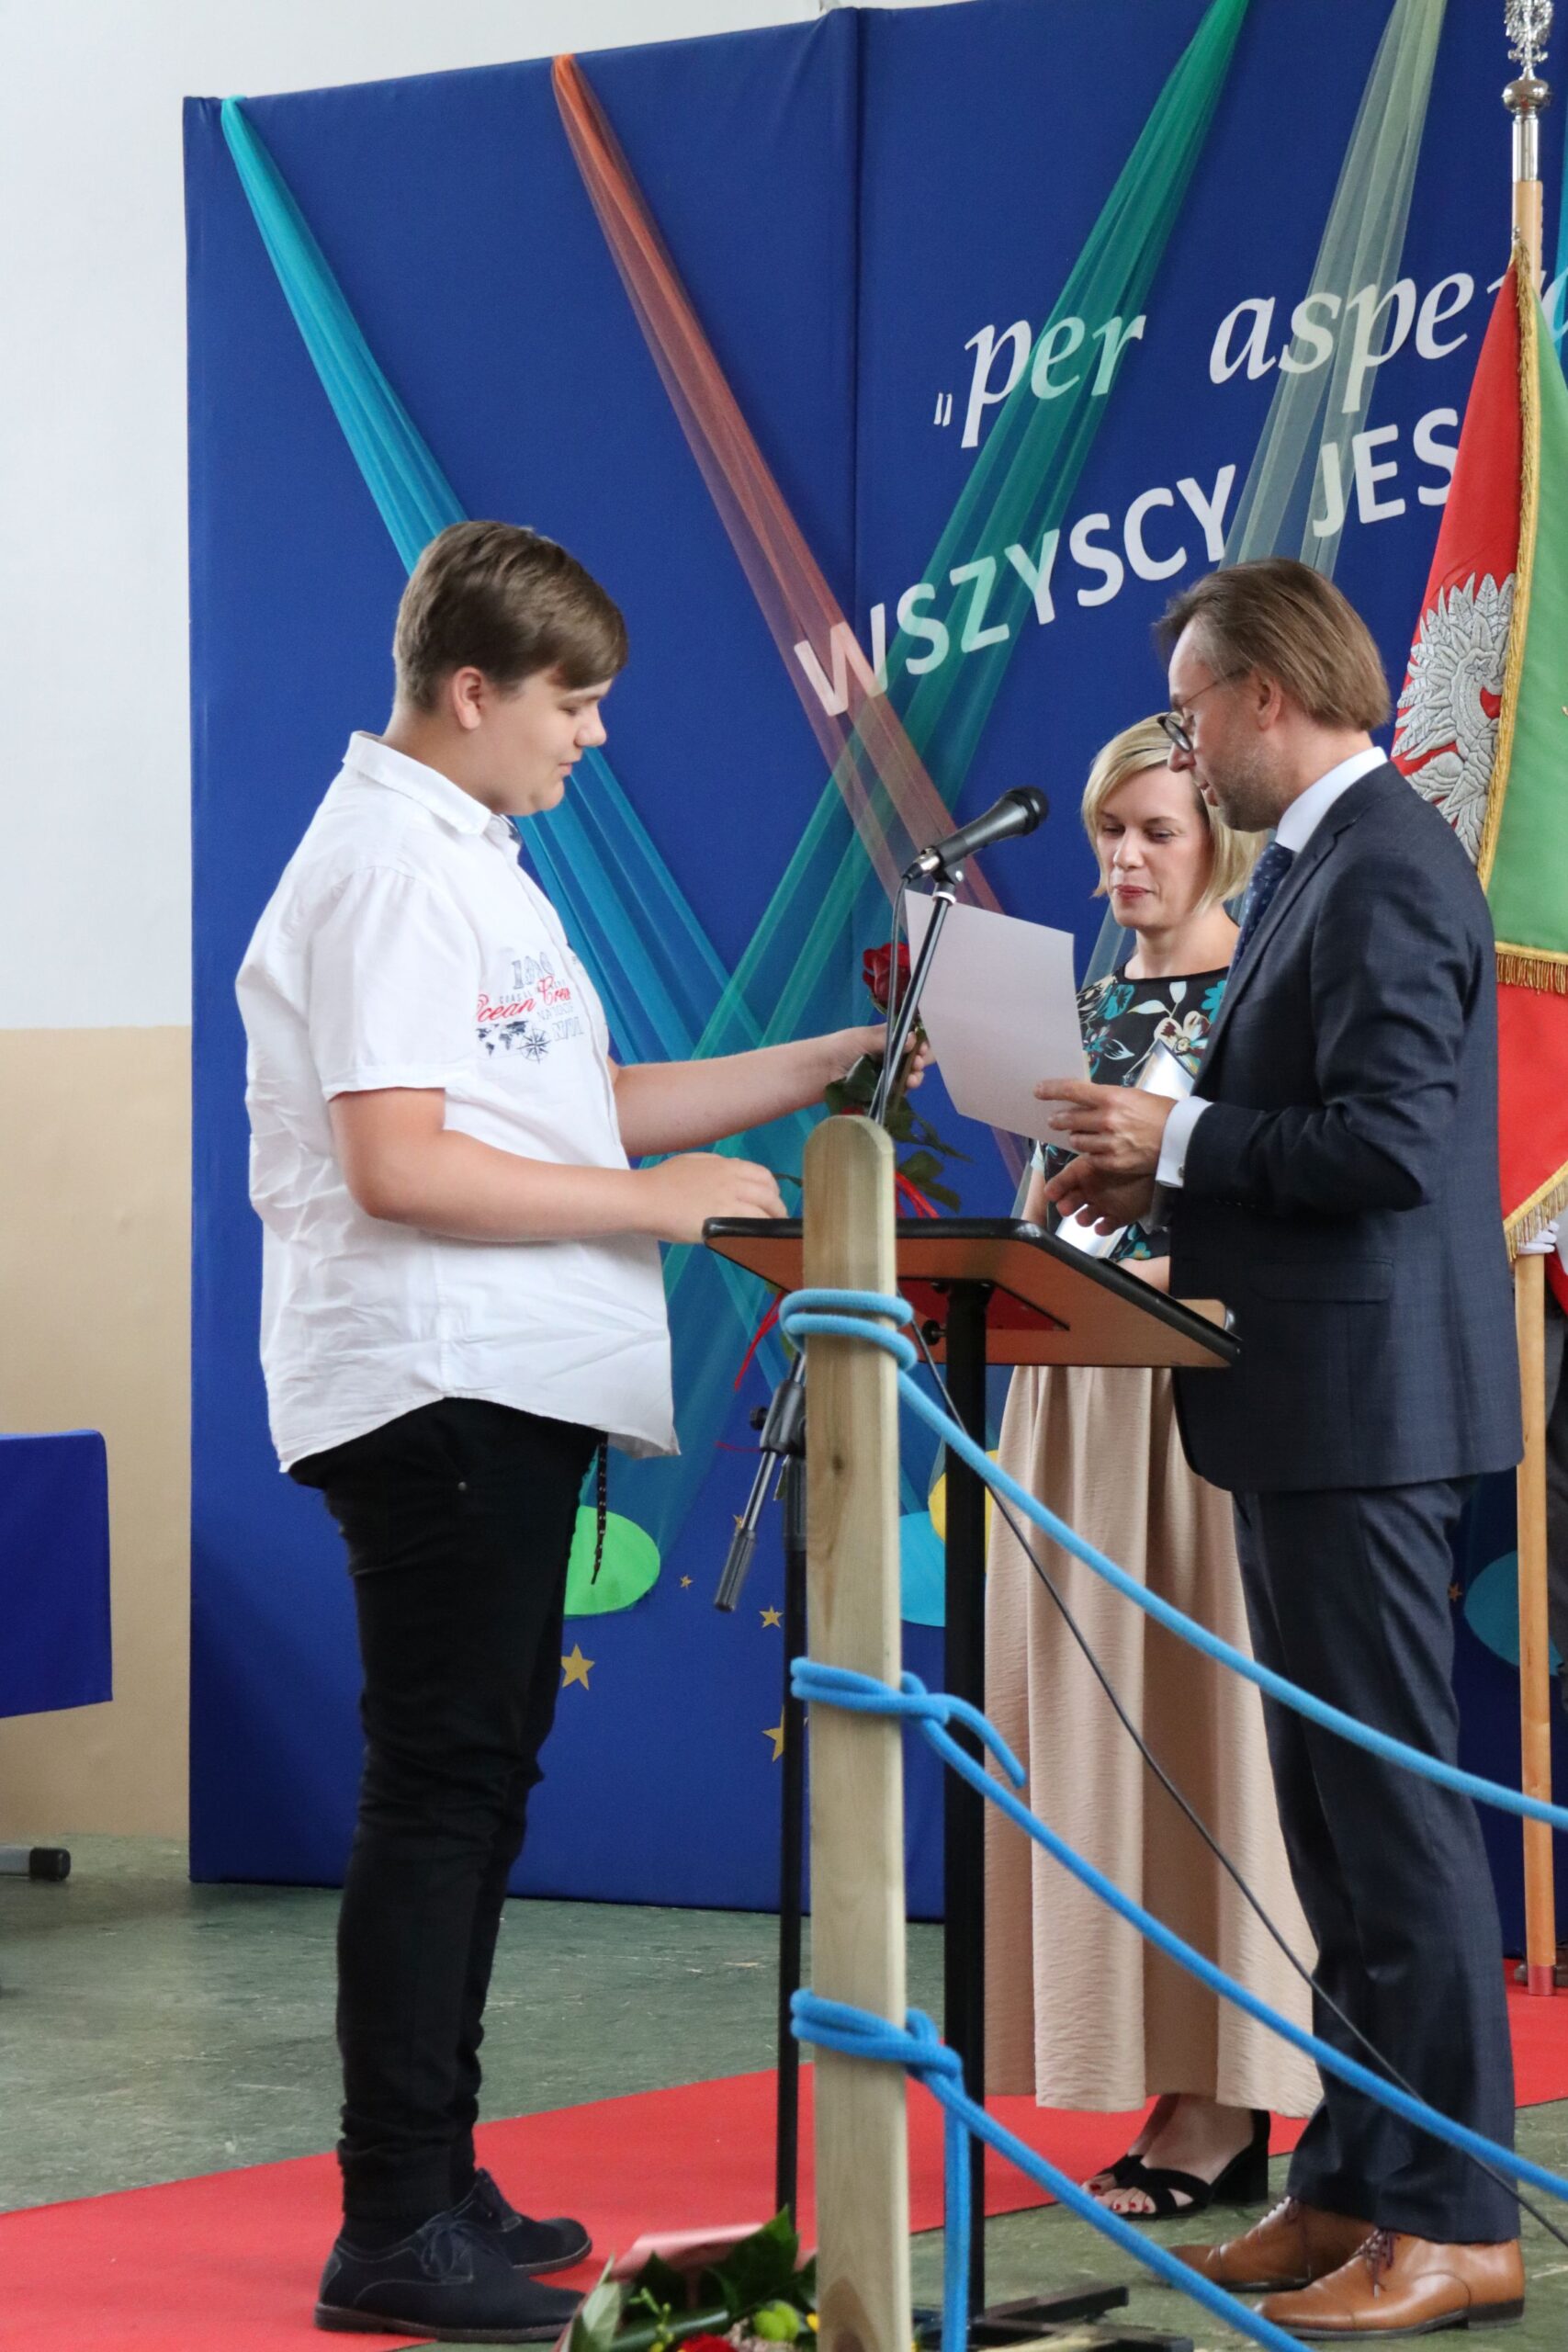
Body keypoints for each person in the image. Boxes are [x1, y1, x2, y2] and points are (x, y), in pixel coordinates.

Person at [237, 520, 922, 2344]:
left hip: (497, 1384)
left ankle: (432, 2172)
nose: (595, 735)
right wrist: (656, 1209)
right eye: (574, 701)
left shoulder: (470, 855)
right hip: (434, 1383)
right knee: (441, 1785)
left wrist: (820, 1065)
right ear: (472, 690)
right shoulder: (391, 869)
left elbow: (577, 1105)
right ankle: (392, 2214)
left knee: (475, 1780)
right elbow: (398, 1163)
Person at [1038, 557, 1525, 2338]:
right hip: (1311, 1399)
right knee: (1330, 1821)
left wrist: (1174, 1140)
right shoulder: (1326, 859)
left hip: (1366, 1408)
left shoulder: (1381, 864)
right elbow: (1305, 1125)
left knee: (1389, 1819)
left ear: (1262, 693)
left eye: (1188, 711)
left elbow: (1386, 1145)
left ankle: (1457, 2220)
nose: (1183, 746)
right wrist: (1159, 1172)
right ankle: (1354, 2184)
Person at [986, 718, 1318, 2221]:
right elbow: (1053, 1207)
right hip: (1065, 1395)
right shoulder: (1086, 999)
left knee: (1203, 1738)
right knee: (1090, 1748)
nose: (1124, 858)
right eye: (1108, 830)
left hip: (1191, 1397)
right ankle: (1141, 2064)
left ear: (1220, 841)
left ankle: (1227, 2097)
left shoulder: (1261, 989)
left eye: (1156, 831)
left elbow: (1284, 1207)